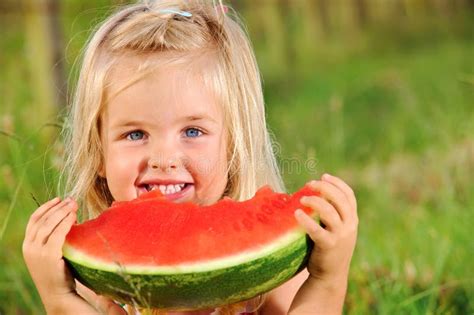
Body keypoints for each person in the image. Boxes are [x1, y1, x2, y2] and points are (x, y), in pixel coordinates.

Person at [22, 1, 358, 314]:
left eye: (192, 132)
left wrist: (326, 279)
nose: (164, 159)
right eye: (135, 134)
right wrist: (60, 298)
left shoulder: (268, 280)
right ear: (98, 153)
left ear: (233, 147)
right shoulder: (102, 284)